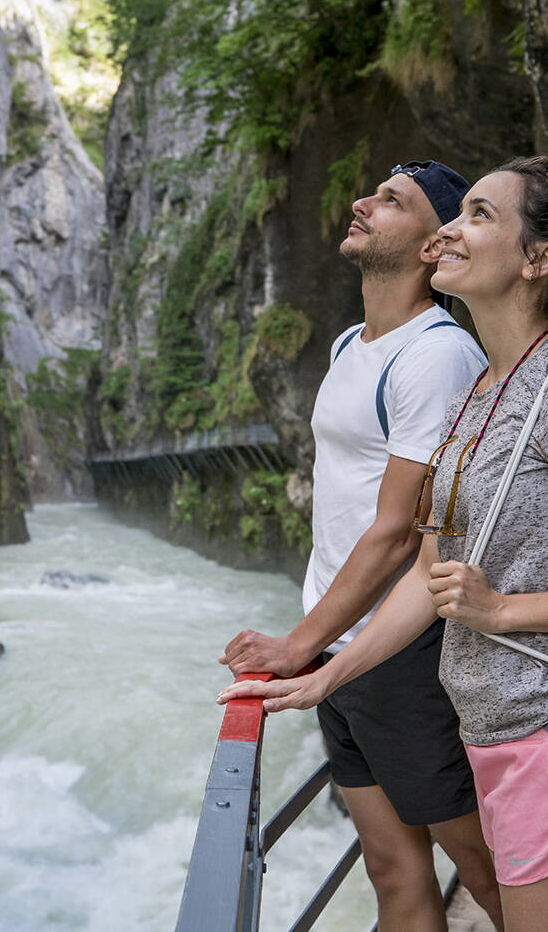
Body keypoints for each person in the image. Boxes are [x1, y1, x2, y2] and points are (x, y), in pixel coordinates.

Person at [219, 155, 548, 932]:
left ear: (538, 260)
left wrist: (505, 611)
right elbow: (429, 569)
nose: (450, 228)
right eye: (458, 212)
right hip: (500, 735)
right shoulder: (483, 391)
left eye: (479, 215)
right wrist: (324, 673)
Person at [219, 160, 504, 930]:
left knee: (481, 867)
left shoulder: (439, 355)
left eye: (391, 201)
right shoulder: (353, 342)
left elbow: (395, 533)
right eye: (372, 193)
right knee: (390, 865)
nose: (362, 204)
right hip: (337, 643)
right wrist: (316, 642)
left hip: (402, 651)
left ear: (431, 247)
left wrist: (296, 645)